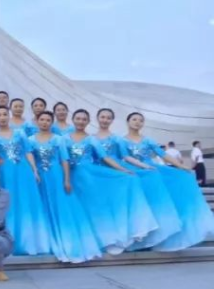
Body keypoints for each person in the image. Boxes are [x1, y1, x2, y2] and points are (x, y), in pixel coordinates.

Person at [65, 109, 157, 253]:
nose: (81, 121)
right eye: (102, 117)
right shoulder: (65, 139)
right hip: (75, 175)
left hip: (95, 175)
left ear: (88, 121)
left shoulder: (98, 139)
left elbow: (107, 157)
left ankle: (108, 237)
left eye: (108, 117)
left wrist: (126, 169)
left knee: (99, 206)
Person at [121, 112, 214, 251]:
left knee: (156, 202)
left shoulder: (147, 140)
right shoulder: (120, 141)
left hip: (150, 171)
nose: (137, 122)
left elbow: (163, 154)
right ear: (128, 122)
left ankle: (153, 238)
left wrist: (180, 166)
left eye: (141, 120)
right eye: (134, 119)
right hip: (132, 171)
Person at [27, 111, 102, 263]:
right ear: (37, 121)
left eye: (48, 120)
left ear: (51, 122)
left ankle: (68, 243)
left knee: (60, 208)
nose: (44, 122)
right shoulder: (30, 140)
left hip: (56, 176)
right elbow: (29, 158)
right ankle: (46, 242)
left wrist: (66, 180)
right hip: (39, 177)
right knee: (43, 208)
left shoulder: (58, 139)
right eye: (42, 119)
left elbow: (64, 160)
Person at [0, 106, 50, 256]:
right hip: (6, 173)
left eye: (5, 114)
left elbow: (28, 152)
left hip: (24, 171)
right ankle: (13, 242)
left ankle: (34, 242)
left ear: (9, 116)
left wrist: (34, 169)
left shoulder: (20, 133)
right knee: (11, 205)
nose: (2, 117)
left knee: (28, 202)